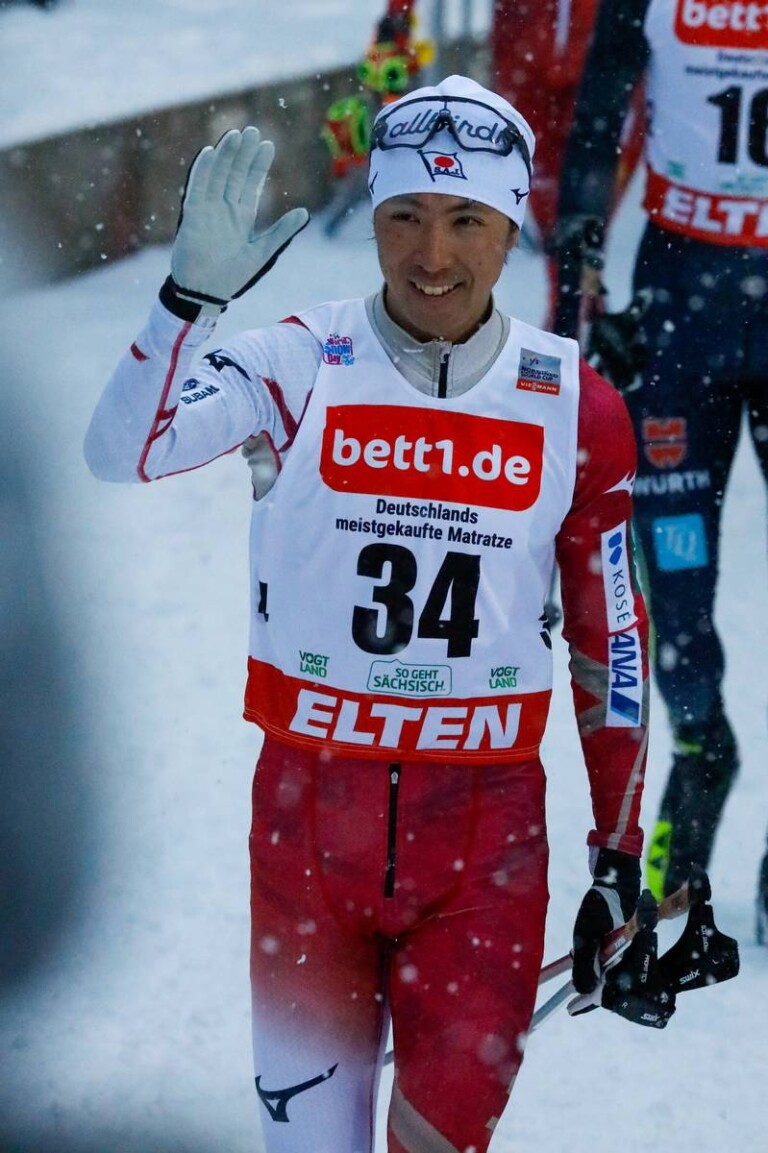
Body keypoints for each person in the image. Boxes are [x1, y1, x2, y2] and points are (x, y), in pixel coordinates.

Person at [85, 75, 651, 1153]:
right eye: (405, 216)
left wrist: (619, 855)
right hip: (309, 838)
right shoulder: (302, 360)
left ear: (512, 226)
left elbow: (610, 644)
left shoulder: (577, 407)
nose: (432, 255)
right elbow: (124, 450)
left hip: (483, 855)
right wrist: (186, 304)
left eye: (466, 220)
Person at [555, 0, 768, 939]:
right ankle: (701, 745)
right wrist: (581, 247)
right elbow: (601, 105)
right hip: (682, 302)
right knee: (673, 587)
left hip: (705, 292)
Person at [355, 0, 645, 324]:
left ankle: (575, 315)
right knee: (550, 212)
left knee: (586, 218)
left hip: (610, 54)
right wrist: (399, 14)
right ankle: (570, 316)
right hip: (524, 50)